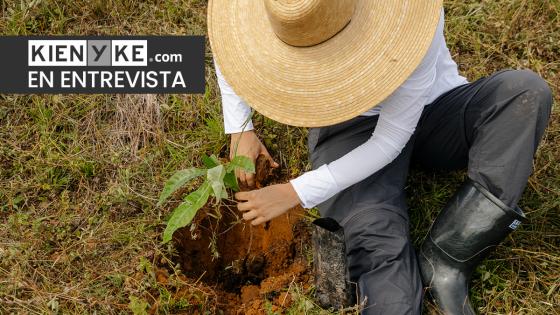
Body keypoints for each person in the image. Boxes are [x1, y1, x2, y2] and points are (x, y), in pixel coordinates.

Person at [208, 1, 553, 314]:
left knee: (523, 93)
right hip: (350, 132)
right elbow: (232, 41)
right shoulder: (274, 12)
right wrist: (240, 128)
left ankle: (448, 258)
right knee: (377, 253)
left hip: (435, 109)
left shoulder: (411, 17)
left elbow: (390, 141)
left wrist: (294, 192)